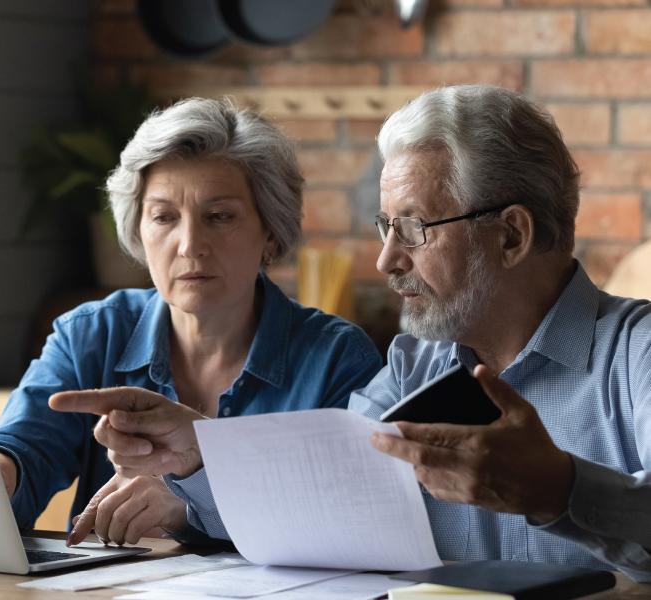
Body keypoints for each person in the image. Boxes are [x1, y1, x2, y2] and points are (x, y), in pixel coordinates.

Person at [64, 86, 651, 582]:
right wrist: (200, 453)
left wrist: (558, 490)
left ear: (512, 236)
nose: (386, 260)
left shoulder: (636, 355)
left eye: (414, 229)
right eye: (385, 227)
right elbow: (314, 508)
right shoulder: (411, 368)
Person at [0, 97, 383, 546]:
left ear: (270, 233)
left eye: (219, 217)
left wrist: (193, 506)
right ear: (139, 231)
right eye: (164, 217)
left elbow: (351, 517)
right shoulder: (91, 335)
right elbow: (25, 447)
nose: (190, 244)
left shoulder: (337, 359)